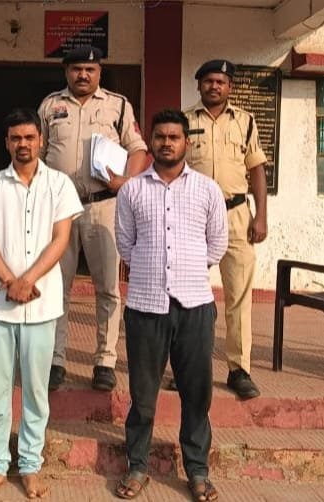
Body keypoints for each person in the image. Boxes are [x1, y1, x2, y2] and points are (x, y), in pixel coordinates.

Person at [0, 108, 83, 498]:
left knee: (35, 391)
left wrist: (27, 281)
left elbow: (61, 238)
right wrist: (9, 281)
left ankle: (31, 465)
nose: (23, 144)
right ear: (6, 143)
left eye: (30, 137)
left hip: (41, 305)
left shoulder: (60, 184)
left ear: (41, 141)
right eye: (15, 138)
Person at [114, 109, 227, 501]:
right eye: (159, 136)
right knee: (143, 395)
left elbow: (217, 244)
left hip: (195, 305)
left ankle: (197, 470)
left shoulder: (208, 190)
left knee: (197, 394)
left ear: (186, 143)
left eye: (174, 137)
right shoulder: (131, 190)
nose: (166, 143)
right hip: (145, 306)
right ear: (151, 141)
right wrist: (154, 270)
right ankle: (137, 466)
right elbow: (125, 244)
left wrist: (185, 271)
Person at [38, 45, 148, 392]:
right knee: (57, 286)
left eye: (89, 69)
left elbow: (138, 149)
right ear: (66, 72)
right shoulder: (50, 105)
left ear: (99, 71)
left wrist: (127, 182)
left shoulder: (118, 105)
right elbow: (37, 153)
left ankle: (105, 361)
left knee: (108, 287)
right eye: (76, 69)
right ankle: (56, 359)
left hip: (103, 206)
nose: (82, 75)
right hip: (60, 208)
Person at [184, 59, 268, 399]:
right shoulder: (185, 121)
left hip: (236, 214)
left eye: (220, 81)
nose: (214, 86)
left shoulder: (245, 121)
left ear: (229, 86)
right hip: (194, 216)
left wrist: (260, 216)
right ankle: (188, 367)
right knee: (188, 296)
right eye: (208, 81)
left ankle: (239, 369)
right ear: (199, 85)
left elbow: (257, 169)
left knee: (239, 295)